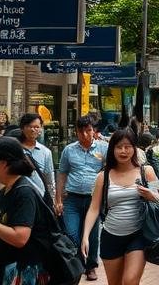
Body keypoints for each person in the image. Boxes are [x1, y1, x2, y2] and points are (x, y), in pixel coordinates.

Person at [81, 128, 159, 285]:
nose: (123, 151)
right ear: (112, 149)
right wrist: (85, 236)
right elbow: (94, 208)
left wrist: (151, 195)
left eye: (128, 146)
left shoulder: (146, 172)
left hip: (139, 235)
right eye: (119, 147)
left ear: (135, 148)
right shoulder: (103, 176)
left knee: (130, 281)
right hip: (111, 237)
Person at [0, 137, 48, 285]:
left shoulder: (24, 193)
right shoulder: (4, 191)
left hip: (21, 270)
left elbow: (19, 238)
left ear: (5, 163)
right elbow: (1, 237)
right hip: (3, 267)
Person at [57, 114, 109, 281]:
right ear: (76, 132)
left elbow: (109, 171)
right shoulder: (69, 150)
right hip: (72, 198)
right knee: (72, 233)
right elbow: (62, 174)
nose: (85, 134)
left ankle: (91, 266)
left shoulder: (103, 149)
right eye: (81, 131)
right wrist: (58, 199)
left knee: (93, 235)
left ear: (94, 131)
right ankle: (78, 263)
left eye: (88, 131)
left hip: (94, 199)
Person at [17, 113, 56, 205]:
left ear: (41, 129)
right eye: (29, 126)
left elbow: (49, 179)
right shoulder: (14, 149)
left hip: (39, 200)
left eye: (37, 127)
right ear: (22, 128)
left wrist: (53, 200)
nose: (33, 130)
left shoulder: (46, 152)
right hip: (17, 198)